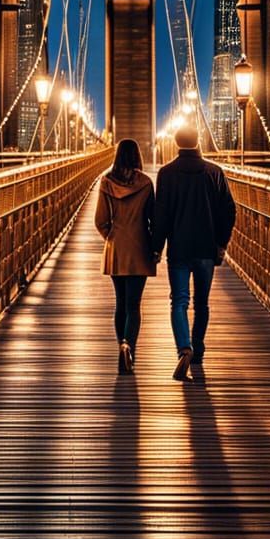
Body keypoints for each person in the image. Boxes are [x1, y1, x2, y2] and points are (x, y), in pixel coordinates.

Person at [153, 124, 236, 381]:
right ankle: (198, 349)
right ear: (199, 140)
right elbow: (229, 211)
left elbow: (161, 215)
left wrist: (156, 247)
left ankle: (184, 348)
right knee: (202, 303)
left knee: (178, 301)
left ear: (176, 142)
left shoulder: (166, 174)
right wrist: (221, 243)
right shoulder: (215, 172)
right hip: (205, 249)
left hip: (178, 248)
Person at [94, 138, 156, 374]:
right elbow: (154, 219)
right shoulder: (146, 183)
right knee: (134, 304)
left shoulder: (106, 182)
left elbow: (100, 221)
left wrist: (112, 236)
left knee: (120, 303)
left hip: (117, 249)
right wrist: (154, 244)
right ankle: (130, 348)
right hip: (140, 248)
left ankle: (122, 345)